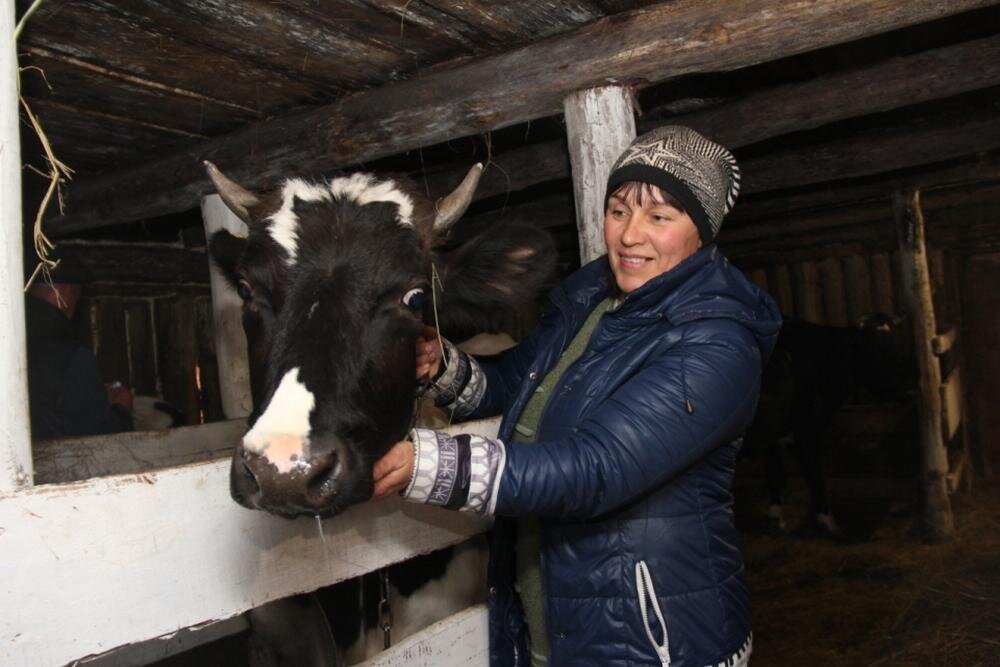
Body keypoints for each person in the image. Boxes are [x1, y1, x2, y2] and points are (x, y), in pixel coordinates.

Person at [373, 126, 781, 666]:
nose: (630, 235)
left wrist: (429, 463)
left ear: (701, 232)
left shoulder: (718, 341)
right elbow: (517, 386)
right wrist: (443, 368)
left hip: (653, 638)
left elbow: (597, 469)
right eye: (618, 210)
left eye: (659, 217)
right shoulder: (593, 300)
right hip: (558, 620)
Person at [26, 281, 134, 439]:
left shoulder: (13, 348)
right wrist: (122, 408)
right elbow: (100, 441)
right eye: (76, 296)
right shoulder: (74, 358)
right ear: (64, 292)